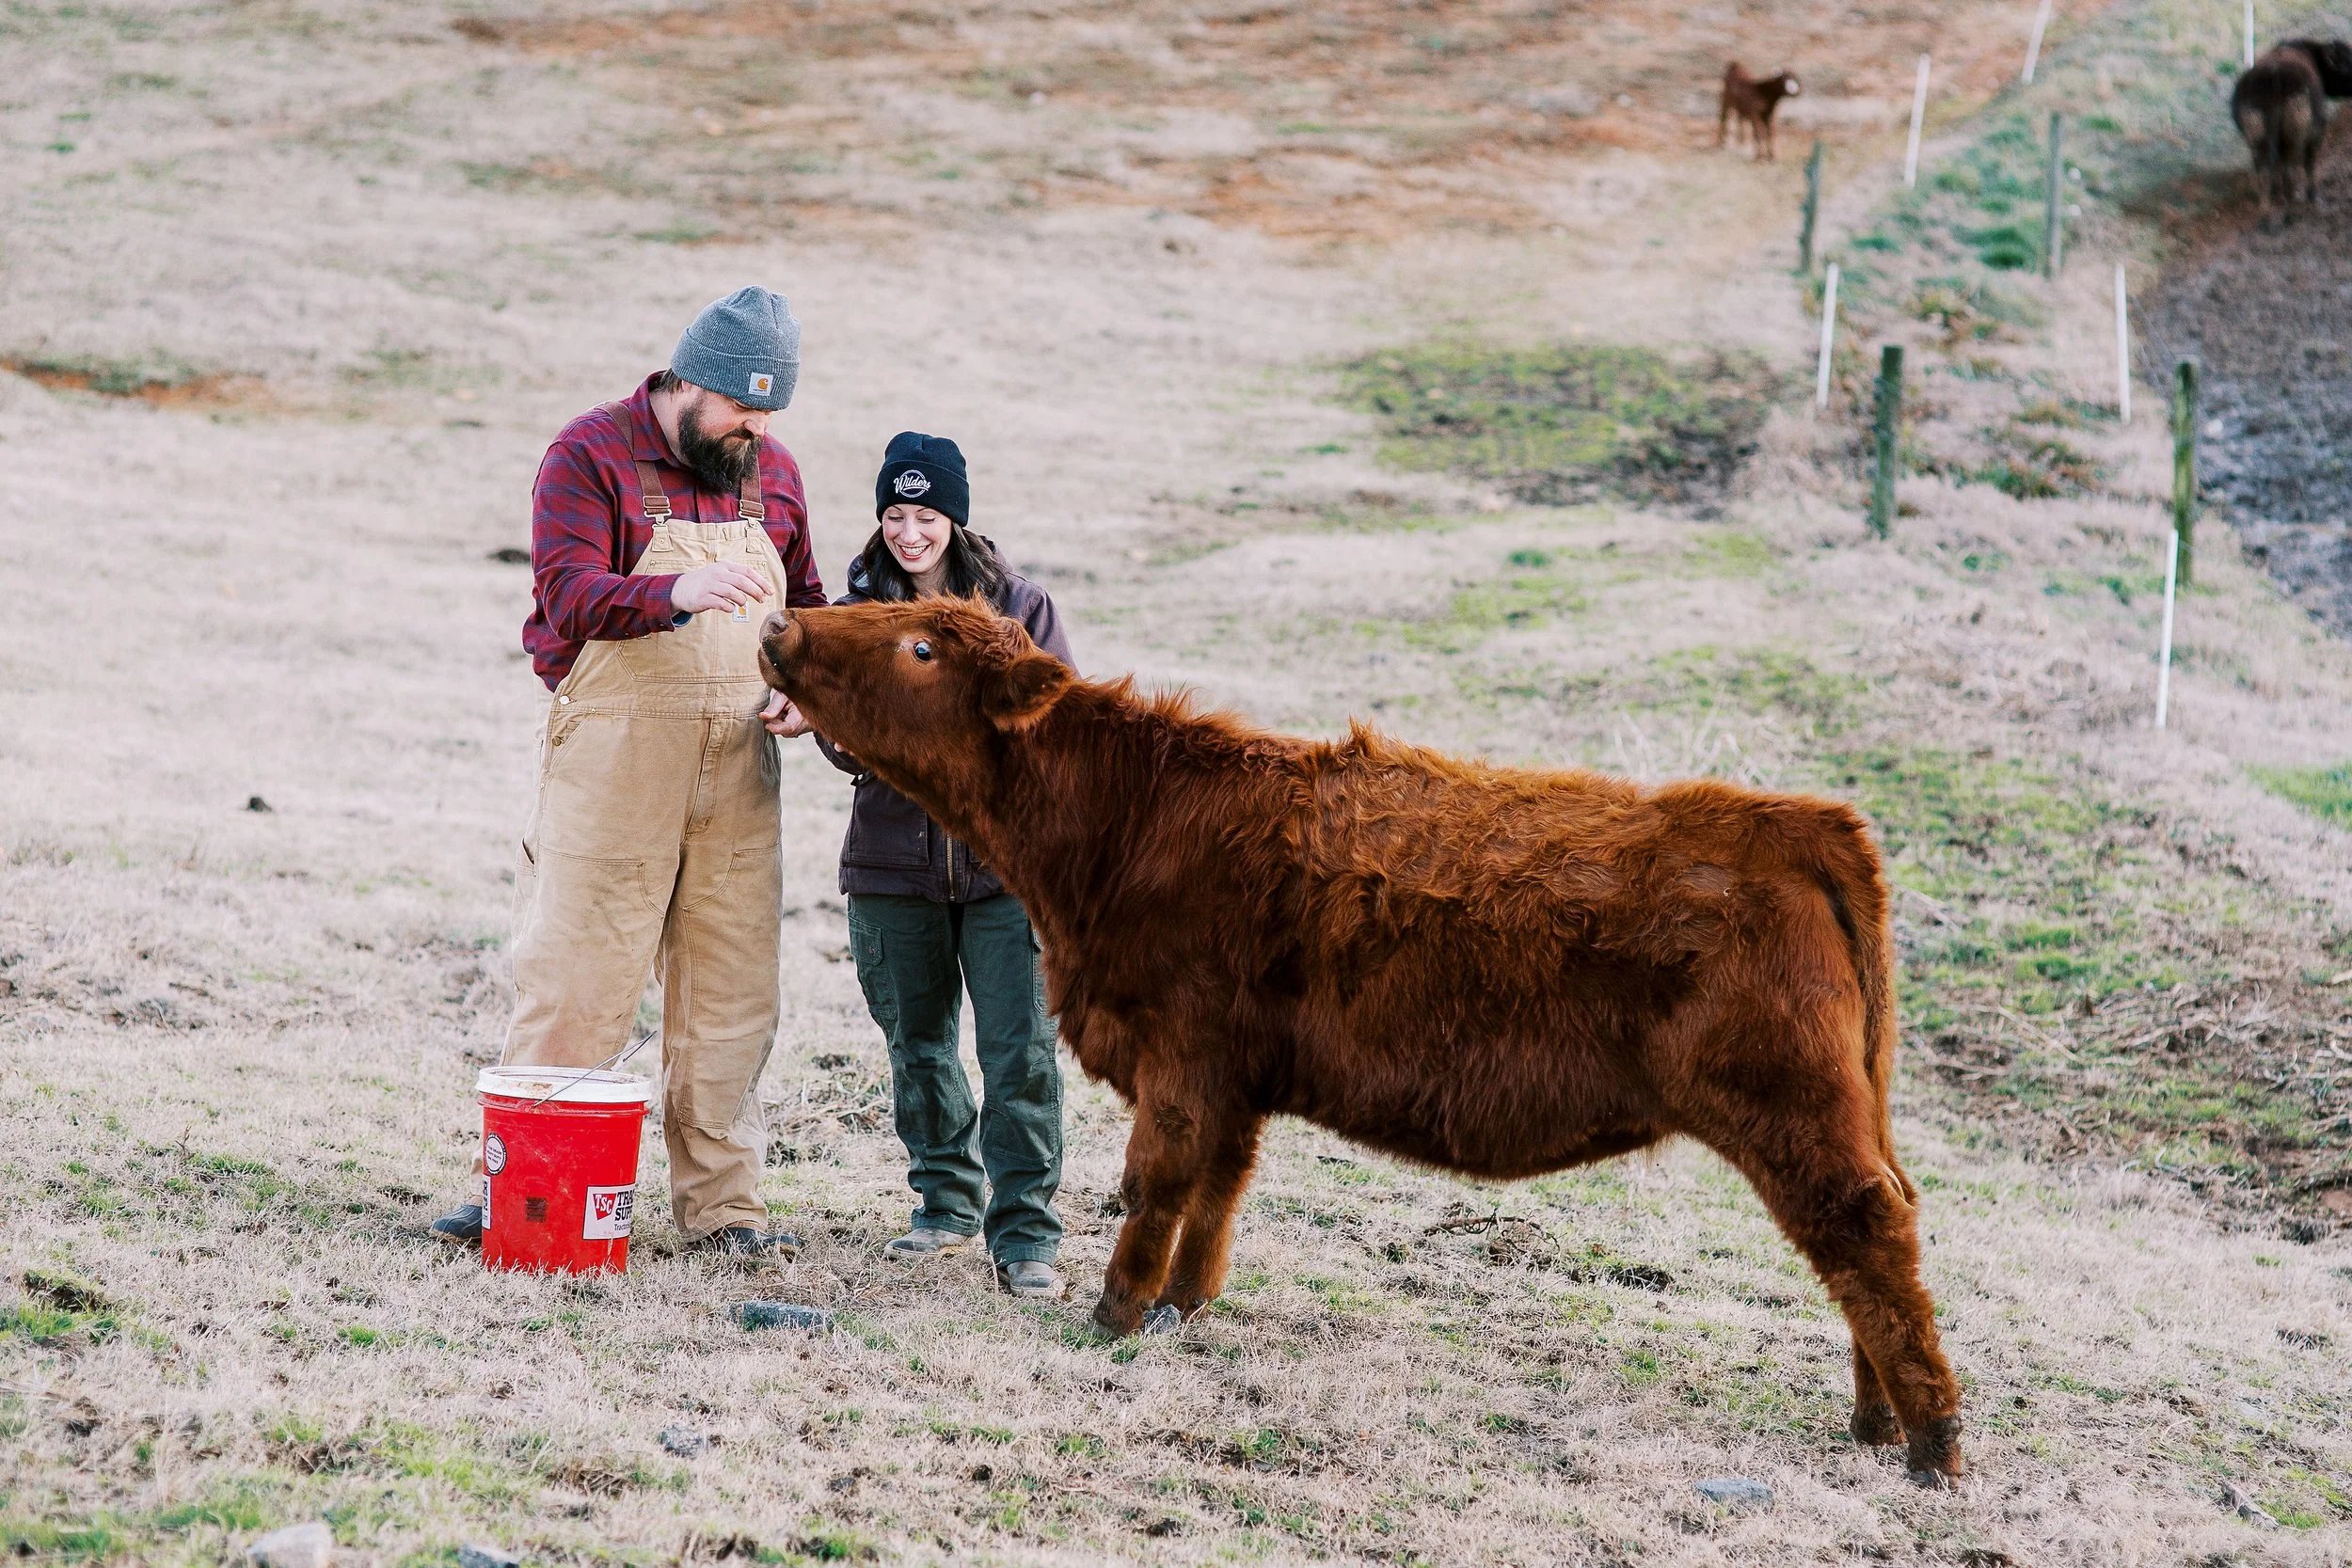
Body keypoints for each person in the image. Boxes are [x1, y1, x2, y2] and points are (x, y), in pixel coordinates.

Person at [431, 287, 826, 1259]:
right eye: (741, 406)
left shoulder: (770, 474)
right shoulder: (589, 453)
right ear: (687, 380)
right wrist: (674, 590)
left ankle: (725, 1211)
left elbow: (809, 608)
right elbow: (565, 596)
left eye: (770, 412)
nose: (756, 428)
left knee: (731, 991)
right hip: (615, 757)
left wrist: (808, 691)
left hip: (737, 765)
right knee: (577, 975)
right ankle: (529, 1191)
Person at [799, 433, 1073, 1300]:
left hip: (1003, 874)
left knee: (1018, 1049)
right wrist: (839, 729)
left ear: (955, 517)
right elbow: (841, 740)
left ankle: (1026, 1234)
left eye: (924, 516)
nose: (909, 533)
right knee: (918, 1046)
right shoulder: (855, 614)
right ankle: (945, 1208)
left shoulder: (1021, 609)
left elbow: (1058, 727)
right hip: (890, 867)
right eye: (893, 515)